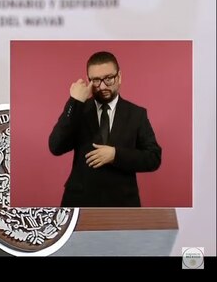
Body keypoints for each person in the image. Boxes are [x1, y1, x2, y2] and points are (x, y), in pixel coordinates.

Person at [48, 51, 161, 207]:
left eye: (108, 78)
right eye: (96, 80)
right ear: (88, 80)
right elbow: (55, 146)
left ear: (119, 77)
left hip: (122, 203)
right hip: (79, 201)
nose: (102, 86)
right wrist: (74, 102)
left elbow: (153, 158)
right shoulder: (79, 109)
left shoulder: (137, 114)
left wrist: (116, 155)